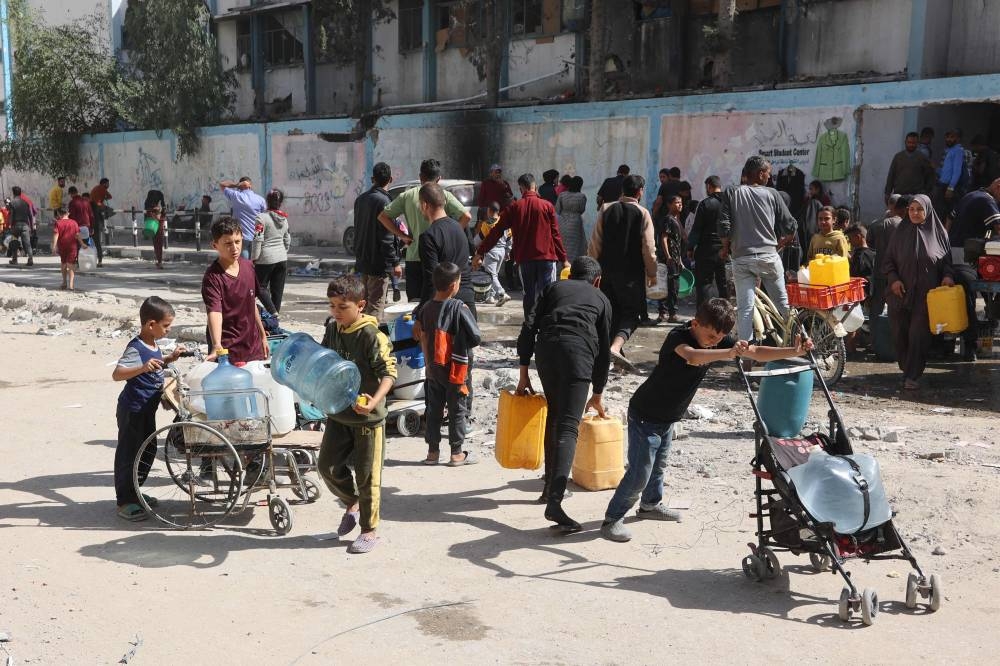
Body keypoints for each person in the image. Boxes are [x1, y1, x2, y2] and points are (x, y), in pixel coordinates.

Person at [600, 298, 813, 542]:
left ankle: (650, 505)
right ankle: (612, 519)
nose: (715, 342)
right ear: (695, 323)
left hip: (668, 417)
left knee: (658, 465)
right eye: (711, 336)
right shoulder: (678, 337)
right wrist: (729, 352)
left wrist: (793, 351)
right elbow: (692, 357)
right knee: (640, 472)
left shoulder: (720, 341)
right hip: (645, 415)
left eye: (721, 338)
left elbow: (755, 352)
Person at [516, 256, 611, 532]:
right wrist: (598, 390)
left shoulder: (554, 288)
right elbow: (604, 351)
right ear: (597, 280)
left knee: (556, 416)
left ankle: (549, 487)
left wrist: (524, 373)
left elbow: (528, 326)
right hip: (578, 354)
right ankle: (555, 503)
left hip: (546, 351)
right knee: (569, 426)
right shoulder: (600, 298)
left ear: (570, 276)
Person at [318, 275, 398, 554]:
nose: (336, 312)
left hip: (367, 419)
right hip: (339, 413)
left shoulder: (372, 336)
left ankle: (369, 530)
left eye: (342, 306)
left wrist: (373, 401)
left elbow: (389, 374)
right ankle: (352, 503)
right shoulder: (333, 329)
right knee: (327, 467)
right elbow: (324, 363)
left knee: (368, 476)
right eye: (332, 306)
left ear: (361, 305)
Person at [111, 296, 186, 521]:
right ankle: (125, 500)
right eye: (166, 326)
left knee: (148, 449)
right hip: (132, 410)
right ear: (150, 324)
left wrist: (170, 359)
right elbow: (117, 374)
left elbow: (156, 365)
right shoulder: (136, 347)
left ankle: (135, 490)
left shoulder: (153, 345)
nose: (169, 330)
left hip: (147, 409)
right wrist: (142, 368)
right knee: (129, 453)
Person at [719, 155, 797, 347]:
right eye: (768, 174)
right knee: (783, 305)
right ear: (761, 173)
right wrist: (783, 241)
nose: (769, 178)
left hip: (742, 258)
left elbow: (724, 226)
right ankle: (801, 341)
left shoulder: (731, 192)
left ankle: (746, 358)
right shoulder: (773, 194)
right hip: (769, 257)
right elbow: (790, 225)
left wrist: (725, 248)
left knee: (745, 309)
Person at [882, 194, 956, 390]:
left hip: (926, 296)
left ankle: (912, 374)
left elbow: (947, 264)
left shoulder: (940, 234)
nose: (915, 213)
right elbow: (888, 261)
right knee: (900, 334)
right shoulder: (899, 232)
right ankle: (907, 369)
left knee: (918, 335)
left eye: (919, 209)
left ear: (928, 211)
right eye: (911, 209)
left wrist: (948, 276)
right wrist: (894, 280)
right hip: (900, 294)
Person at [474, 173, 569, 320]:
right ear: (534, 186)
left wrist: (480, 252)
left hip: (525, 260)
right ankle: (546, 327)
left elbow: (495, 232)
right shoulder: (547, 206)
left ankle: (529, 328)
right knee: (547, 295)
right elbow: (555, 235)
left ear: (521, 188)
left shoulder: (514, 208)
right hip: (547, 259)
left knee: (528, 295)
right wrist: (564, 259)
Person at [587, 173, 657, 370]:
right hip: (632, 275)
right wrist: (652, 273)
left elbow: (595, 243)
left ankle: (610, 356)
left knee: (611, 312)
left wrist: (592, 270)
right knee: (631, 314)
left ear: (622, 190)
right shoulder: (643, 213)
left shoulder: (606, 209)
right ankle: (616, 348)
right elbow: (649, 249)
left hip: (606, 272)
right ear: (640, 191)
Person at [416, 262, 481, 467]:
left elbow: (424, 338)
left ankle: (432, 453)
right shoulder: (459, 307)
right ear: (454, 285)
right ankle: (456, 453)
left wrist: (428, 364)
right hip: (457, 368)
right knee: (457, 409)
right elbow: (476, 336)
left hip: (434, 367)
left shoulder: (426, 308)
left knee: (434, 409)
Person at [377, 159, 471, 301]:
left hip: (414, 257)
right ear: (439, 178)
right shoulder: (443, 195)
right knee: (440, 302)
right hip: (439, 259)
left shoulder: (407, 195)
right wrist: (453, 233)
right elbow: (466, 216)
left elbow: (383, 217)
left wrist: (403, 236)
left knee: (415, 302)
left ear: (420, 177)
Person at [202, 216, 269, 364]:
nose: (234, 248)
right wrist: (216, 345)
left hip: (253, 347)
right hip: (228, 351)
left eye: (237, 242)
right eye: (228, 243)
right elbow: (214, 312)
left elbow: (252, 304)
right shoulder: (213, 277)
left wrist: (263, 336)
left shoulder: (248, 267)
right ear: (215, 245)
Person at [414, 183, 476, 314]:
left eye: (420, 205)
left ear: (425, 205)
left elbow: (431, 282)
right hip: (467, 301)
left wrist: (421, 314)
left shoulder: (428, 236)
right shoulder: (460, 228)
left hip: (445, 309)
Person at [353, 162, 401, 321]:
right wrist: (395, 262)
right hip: (378, 265)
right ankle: (369, 342)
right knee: (374, 310)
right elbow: (387, 237)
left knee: (362, 306)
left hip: (363, 262)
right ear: (391, 179)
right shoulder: (385, 202)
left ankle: (359, 339)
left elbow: (357, 230)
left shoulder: (360, 200)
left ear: (373, 179)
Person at [688, 175, 729, 307]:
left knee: (704, 284)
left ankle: (703, 314)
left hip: (706, 250)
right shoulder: (729, 203)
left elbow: (696, 229)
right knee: (723, 283)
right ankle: (726, 314)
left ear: (709, 187)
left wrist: (690, 247)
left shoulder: (705, 204)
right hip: (725, 249)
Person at [252, 188, 291, 315]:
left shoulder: (261, 218)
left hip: (265, 258)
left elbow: (258, 239)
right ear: (280, 203)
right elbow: (287, 239)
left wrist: (254, 258)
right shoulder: (284, 219)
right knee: (277, 291)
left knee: (259, 287)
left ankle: (273, 312)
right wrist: (283, 252)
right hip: (282, 258)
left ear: (267, 201)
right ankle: (275, 318)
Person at [868, 195, 905, 319]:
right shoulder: (903, 225)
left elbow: (870, 245)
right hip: (898, 273)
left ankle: (876, 334)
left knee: (877, 306)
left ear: (889, 205)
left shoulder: (875, 225)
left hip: (879, 270)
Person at [947, 177, 1000, 264]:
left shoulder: (970, 195)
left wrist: (947, 240)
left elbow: (950, 218)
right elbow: (998, 228)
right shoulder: (988, 201)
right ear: (998, 187)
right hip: (966, 252)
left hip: (952, 247)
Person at [219, 177, 267, 258]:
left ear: (240, 186)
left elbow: (222, 184)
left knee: (244, 263)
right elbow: (264, 217)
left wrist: (236, 185)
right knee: (256, 263)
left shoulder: (236, 196)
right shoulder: (260, 199)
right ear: (250, 186)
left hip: (242, 235)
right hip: (257, 235)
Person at [475, 202, 512, 306]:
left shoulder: (487, 224)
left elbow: (479, 239)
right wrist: (508, 252)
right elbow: (510, 239)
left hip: (491, 251)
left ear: (489, 211)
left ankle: (502, 293)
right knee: (494, 274)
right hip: (502, 252)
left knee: (491, 275)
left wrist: (471, 244)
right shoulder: (504, 223)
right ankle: (490, 296)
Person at [656, 194, 684, 324]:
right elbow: (664, 238)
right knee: (669, 286)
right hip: (669, 259)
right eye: (677, 202)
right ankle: (666, 313)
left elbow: (677, 242)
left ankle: (669, 313)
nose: (680, 205)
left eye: (681, 203)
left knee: (674, 286)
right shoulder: (668, 219)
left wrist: (680, 260)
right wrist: (668, 256)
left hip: (675, 259)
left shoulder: (676, 220)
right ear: (669, 204)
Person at [884, 132, 936, 199]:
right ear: (905, 142)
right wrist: (887, 192)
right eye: (909, 142)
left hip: (916, 196)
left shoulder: (922, 158)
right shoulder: (898, 157)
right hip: (899, 195)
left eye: (913, 143)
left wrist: (926, 192)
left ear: (917, 143)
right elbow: (891, 175)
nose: (911, 145)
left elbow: (930, 176)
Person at [934, 129, 969, 219]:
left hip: (949, 186)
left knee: (948, 212)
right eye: (947, 137)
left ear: (957, 138)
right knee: (940, 210)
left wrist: (951, 188)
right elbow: (945, 169)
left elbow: (957, 171)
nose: (949, 139)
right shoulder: (948, 150)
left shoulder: (958, 150)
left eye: (952, 137)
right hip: (942, 184)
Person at [555, 175, 587, 260]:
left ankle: (563, 265)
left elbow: (557, 209)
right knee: (575, 245)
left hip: (562, 222)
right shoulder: (582, 196)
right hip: (576, 222)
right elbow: (582, 210)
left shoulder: (562, 195)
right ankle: (574, 265)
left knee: (563, 244)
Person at [51, 208, 82, 290]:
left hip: (62, 247)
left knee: (63, 263)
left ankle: (64, 282)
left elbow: (56, 235)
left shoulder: (58, 223)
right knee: (71, 265)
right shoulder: (74, 222)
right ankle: (71, 284)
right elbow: (77, 235)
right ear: (68, 213)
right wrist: (82, 244)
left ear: (58, 214)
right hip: (72, 247)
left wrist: (54, 247)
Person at [7, 186, 34, 266]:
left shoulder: (12, 203)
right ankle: (30, 258)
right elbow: (30, 215)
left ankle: (15, 259)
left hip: (16, 225)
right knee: (27, 243)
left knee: (14, 241)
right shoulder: (25, 203)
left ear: (13, 193)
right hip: (25, 225)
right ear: (20, 193)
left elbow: (11, 215)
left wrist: (9, 225)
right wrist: (31, 227)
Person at [90, 177, 112, 267]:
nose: (108, 185)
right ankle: (100, 260)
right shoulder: (102, 189)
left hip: (91, 220)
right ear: (104, 184)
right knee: (98, 241)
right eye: (107, 184)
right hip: (97, 216)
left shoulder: (95, 189)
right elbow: (110, 197)